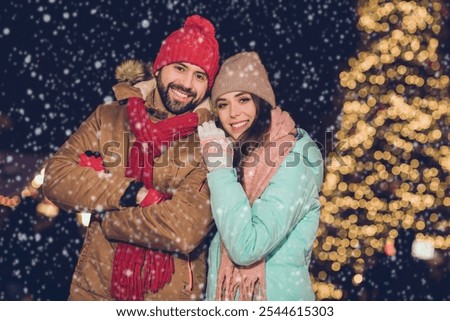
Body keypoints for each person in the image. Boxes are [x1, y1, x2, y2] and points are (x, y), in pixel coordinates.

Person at [42, 15, 219, 300]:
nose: (187, 84)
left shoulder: (210, 141)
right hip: (93, 294)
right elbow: (56, 177)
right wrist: (133, 194)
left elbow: (185, 229)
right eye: (180, 68)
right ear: (158, 68)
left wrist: (108, 220)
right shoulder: (109, 117)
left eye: (200, 76)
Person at [198, 52, 324, 300]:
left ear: (261, 101)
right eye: (222, 104)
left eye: (243, 99)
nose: (233, 113)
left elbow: (247, 247)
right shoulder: (237, 157)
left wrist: (219, 169)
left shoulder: (295, 158)